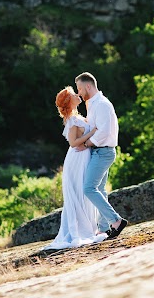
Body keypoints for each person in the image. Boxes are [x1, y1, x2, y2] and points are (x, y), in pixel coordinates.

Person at [44, 86, 108, 250]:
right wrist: (92, 132)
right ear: (69, 101)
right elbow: (73, 143)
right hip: (77, 158)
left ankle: (91, 228)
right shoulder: (72, 120)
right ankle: (83, 230)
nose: (78, 95)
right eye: (74, 94)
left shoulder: (78, 116)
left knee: (86, 192)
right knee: (80, 192)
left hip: (83, 155)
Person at [75, 72, 128, 239]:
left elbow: (103, 132)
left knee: (89, 188)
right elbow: (93, 128)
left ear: (88, 86)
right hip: (100, 151)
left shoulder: (102, 104)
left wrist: (86, 144)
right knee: (99, 189)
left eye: (80, 88)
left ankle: (116, 221)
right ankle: (105, 228)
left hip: (103, 151)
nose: (79, 93)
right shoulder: (93, 104)